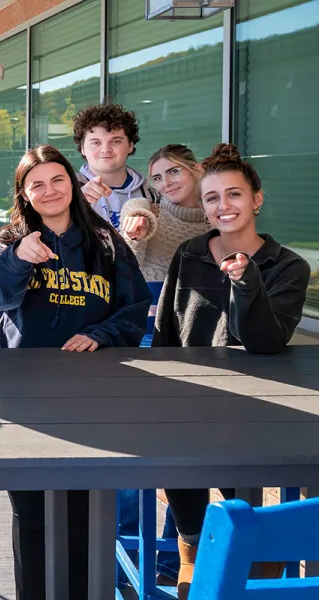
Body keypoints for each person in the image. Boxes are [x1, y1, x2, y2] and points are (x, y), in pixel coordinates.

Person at [0, 144, 151, 599]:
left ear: (73, 186)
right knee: (32, 515)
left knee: (88, 512)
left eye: (59, 180)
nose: (50, 190)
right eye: (37, 184)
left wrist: (103, 333)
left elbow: (134, 309)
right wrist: (19, 256)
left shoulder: (107, 242)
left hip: (90, 398)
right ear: (24, 194)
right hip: (22, 397)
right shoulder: (3, 243)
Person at [153, 143, 311, 599]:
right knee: (182, 475)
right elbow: (167, 330)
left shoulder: (287, 266)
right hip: (189, 402)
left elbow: (266, 341)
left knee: (243, 497)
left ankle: (254, 561)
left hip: (256, 408)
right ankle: (190, 554)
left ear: (256, 199)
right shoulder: (189, 254)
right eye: (212, 198)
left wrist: (245, 282)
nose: (224, 206)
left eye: (235, 195)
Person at [120, 144, 210, 282]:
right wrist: (134, 230)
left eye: (173, 171)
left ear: (197, 170)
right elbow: (123, 267)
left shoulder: (218, 220)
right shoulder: (147, 214)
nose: (166, 183)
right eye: (157, 178)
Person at [72, 103, 156, 229]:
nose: (105, 149)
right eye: (96, 142)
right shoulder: (67, 189)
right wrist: (76, 203)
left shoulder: (151, 193)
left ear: (130, 145)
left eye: (116, 141)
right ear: (82, 148)